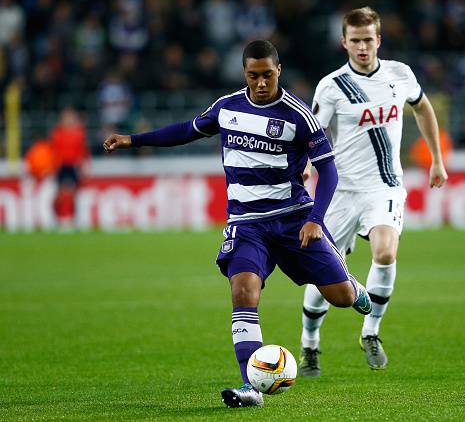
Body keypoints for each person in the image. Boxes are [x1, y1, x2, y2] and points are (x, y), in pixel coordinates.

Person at [103, 40, 371, 408]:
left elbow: (329, 170)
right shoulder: (226, 107)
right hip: (246, 225)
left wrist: (314, 220)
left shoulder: (298, 115)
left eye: (267, 75)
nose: (261, 83)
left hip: (292, 220)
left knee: (340, 297)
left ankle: (355, 288)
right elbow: (186, 130)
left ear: (279, 71)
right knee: (243, 292)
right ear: (245, 74)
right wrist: (133, 139)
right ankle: (250, 386)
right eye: (253, 75)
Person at [298, 7, 448, 376]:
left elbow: (423, 109)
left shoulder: (400, 74)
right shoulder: (332, 86)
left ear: (378, 40)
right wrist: (303, 165)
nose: (362, 47)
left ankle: (371, 332)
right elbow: (312, 131)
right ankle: (310, 343)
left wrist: (436, 159)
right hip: (341, 191)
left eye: (368, 40)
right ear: (344, 42)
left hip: (385, 186)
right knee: (326, 277)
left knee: (385, 252)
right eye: (355, 41)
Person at [49, 107, 89, 228]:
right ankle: (56, 218)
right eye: (66, 117)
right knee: (59, 194)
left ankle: (74, 218)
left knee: (75, 194)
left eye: (70, 117)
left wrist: (83, 165)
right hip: (61, 165)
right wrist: (53, 166)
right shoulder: (57, 132)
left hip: (73, 165)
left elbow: (82, 151)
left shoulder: (79, 132)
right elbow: (53, 150)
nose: (69, 120)